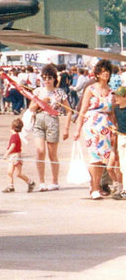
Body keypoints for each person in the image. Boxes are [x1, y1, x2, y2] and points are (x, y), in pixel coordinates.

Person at [68, 59, 115, 200]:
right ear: (97, 73)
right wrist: (77, 129)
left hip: (105, 126)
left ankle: (96, 185)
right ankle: (94, 188)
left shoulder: (111, 91)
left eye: (108, 71)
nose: (105, 73)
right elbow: (82, 110)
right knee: (94, 157)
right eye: (103, 71)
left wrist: (113, 129)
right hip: (92, 125)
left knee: (103, 159)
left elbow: (111, 112)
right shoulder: (91, 89)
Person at [29, 64, 63, 191]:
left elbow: (68, 109)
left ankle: (55, 181)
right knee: (40, 151)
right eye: (44, 78)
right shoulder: (37, 91)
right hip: (39, 121)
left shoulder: (59, 92)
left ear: (54, 78)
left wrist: (66, 128)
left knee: (52, 154)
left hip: (52, 121)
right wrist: (41, 102)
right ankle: (41, 182)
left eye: (49, 77)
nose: (47, 80)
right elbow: (31, 108)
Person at [3, 118, 34, 193]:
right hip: (12, 156)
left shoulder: (14, 136)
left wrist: (6, 153)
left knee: (18, 173)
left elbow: (12, 146)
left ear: (12, 128)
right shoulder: (15, 135)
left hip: (16, 156)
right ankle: (10, 186)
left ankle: (30, 182)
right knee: (9, 172)